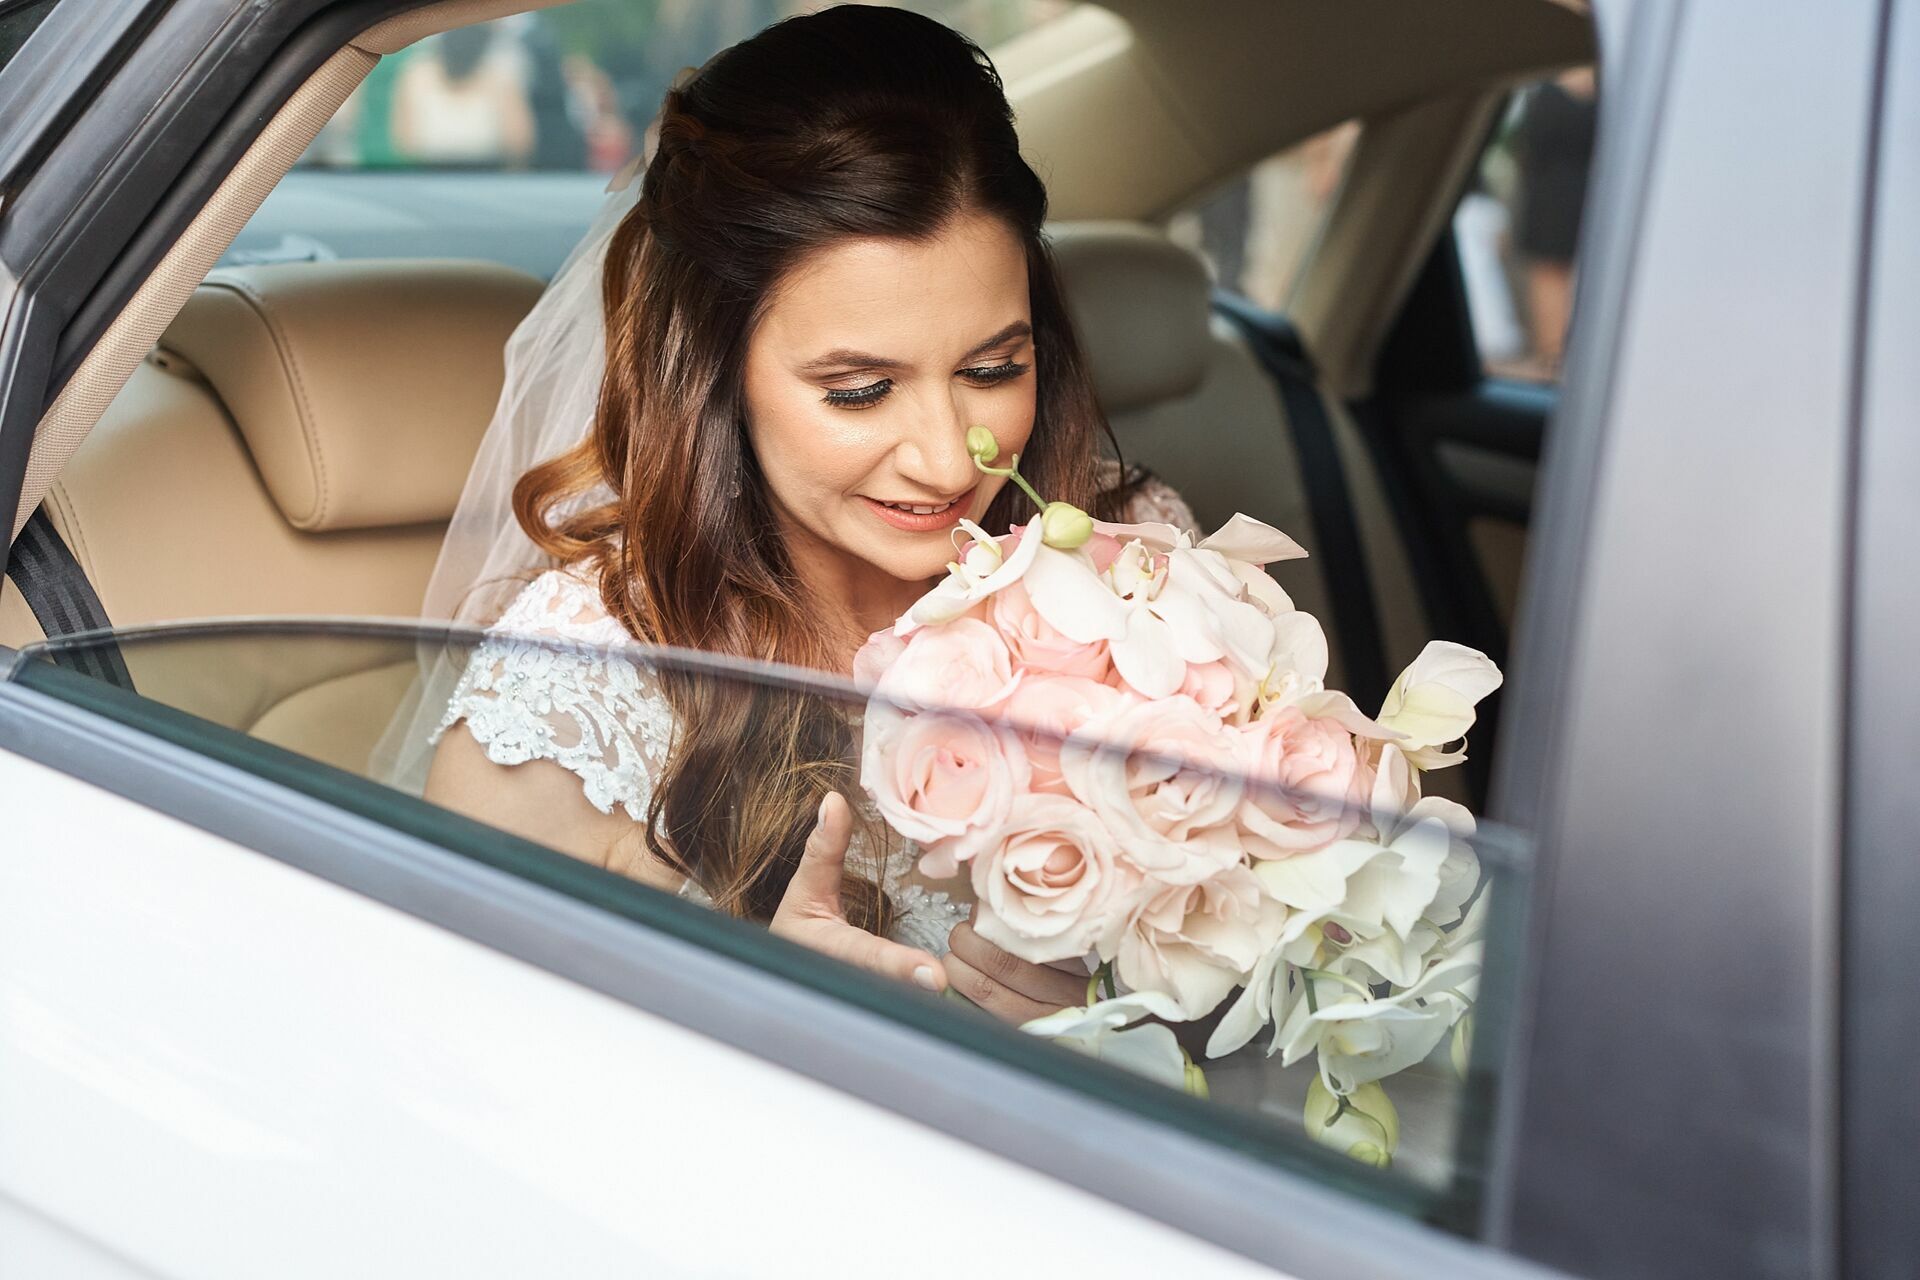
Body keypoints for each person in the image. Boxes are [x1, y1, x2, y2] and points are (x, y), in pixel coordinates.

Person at [414, 5, 1197, 1024]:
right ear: (718, 371)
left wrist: (1151, 1000)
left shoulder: (1131, 559)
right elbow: (460, 1083)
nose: (945, 454)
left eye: (994, 367)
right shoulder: (572, 693)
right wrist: (763, 1016)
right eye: (860, 388)